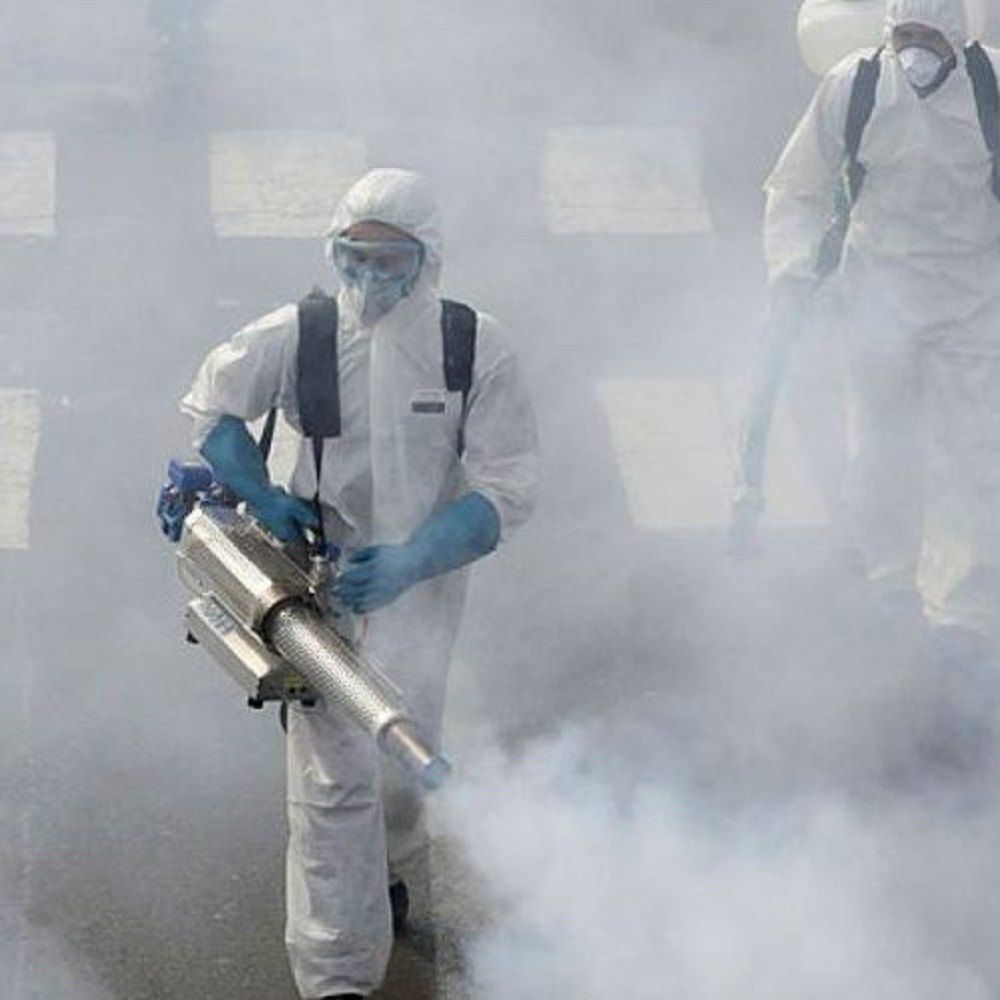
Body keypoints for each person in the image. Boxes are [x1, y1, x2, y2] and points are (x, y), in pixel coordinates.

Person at [180, 168, 539, 999]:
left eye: (390, 263)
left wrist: (415, 560)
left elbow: (506, 489)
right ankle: (336, 974)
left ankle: (395, 871)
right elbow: (212, 410)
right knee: (333, 787)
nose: (369, 281)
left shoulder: (474, 348)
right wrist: (268, 496)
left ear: (430, 260)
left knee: (406, 754)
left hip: (424, 588)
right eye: (354, 259)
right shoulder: (300, 335)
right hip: (317, 592)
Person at [764, 0, 1000, 648]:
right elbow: (797, 188)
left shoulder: (994, 90)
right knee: (877, 444)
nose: (915, 51)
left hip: (974, 300)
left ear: (960, 37)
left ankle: (965, 612)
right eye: (905, 35)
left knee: (973, 452)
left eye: (929, 37)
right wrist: (790, 272)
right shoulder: (856, 84)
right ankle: (887, 584)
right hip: (880, 294)